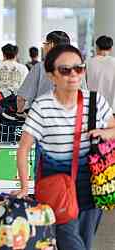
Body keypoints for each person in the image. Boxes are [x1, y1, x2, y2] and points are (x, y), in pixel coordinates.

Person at [13, 44, 115, 250]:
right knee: (69, 240)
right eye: (65, 70)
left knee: (84, 242)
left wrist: (105, 133)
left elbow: (113, 128)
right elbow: (24, 147)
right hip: (56, 187)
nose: (74, 75)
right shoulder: (42, 107)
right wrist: (24, 186)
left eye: (79, 68)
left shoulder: (95, 102)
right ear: (51, 76)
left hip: (91, 187)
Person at [17, 31, 72, 112]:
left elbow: (21, 97)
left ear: (52, 45)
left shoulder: (40, 67)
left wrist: (19, 112)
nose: (44, 47)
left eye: (45, 43)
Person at [86, 35, 115, 114]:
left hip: (93, 105)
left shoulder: (88, 63)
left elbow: (84, 84)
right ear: (111, 48)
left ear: (97, 47)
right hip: (111, 107)